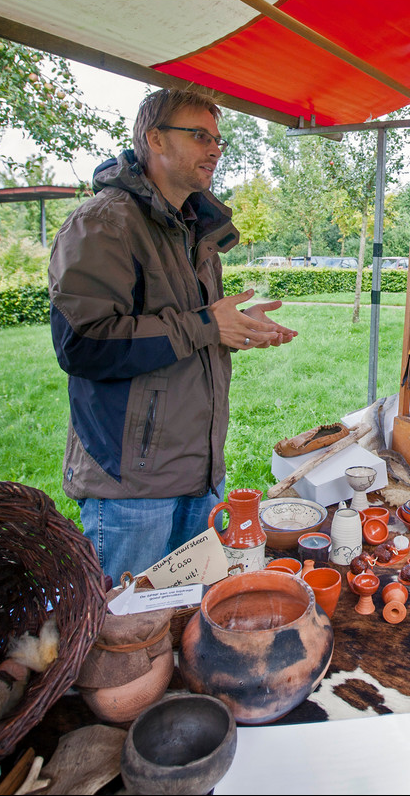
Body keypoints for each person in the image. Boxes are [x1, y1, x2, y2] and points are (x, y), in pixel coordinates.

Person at [49, 88, 297, 580]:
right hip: (131, 487)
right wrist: (206, 324)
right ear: (154, 138)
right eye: (200, 135)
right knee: (122, 631)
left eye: (218, 139)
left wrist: (233, 329)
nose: (215, 149)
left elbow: (188, 329)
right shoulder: (103, 222)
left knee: (184, 621)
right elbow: (83, 344)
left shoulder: (194, 229)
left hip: (199, 473)